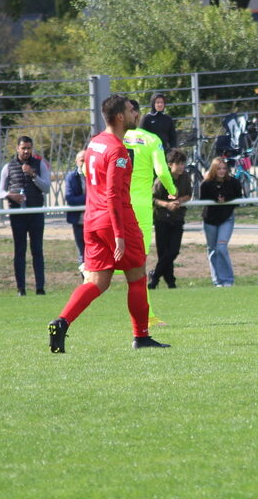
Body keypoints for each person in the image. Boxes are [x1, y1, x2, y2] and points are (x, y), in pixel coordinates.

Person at [48, 94, 170, 353]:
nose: (136, 114)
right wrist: (119, 234)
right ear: (120, 117)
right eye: (131, 111)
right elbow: (113, 194)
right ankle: (141, 337)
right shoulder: (118, 150)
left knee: (97, 281)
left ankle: (61, 322)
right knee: (137, 277)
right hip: (117, 220)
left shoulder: (95, 143)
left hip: (92, 220)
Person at [123, 99, 177, 263]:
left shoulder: (111, 137)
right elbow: (162, 172)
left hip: (116, 202)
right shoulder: (151, 139)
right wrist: (172, 190)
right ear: (138, 115)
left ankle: (91, 271)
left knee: (111, 258)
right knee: (139, 255)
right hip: (141, 203)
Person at [0, 136, 51, 296]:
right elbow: (0, 192)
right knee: (20, 250)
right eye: (23, 148)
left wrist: (33, 175)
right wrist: (10, 195)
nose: (26, 151)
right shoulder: (8, 167)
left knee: (37, 250)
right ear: (17, 148)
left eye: (29, 148)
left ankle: (40, 288)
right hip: (17, 214)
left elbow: (47, 188)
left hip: (35, 213)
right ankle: (21, 288)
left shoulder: (39, 164)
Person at [150, 149, 192, 289]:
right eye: (178, 164)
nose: (181, 167)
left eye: (183, 163)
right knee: (163, 253)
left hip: (178, 218)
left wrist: (179, 200)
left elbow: (188, 194)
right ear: (169, 164)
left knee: (173, 250)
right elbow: (152, 198)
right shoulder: (161, 179)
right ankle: (170, 282)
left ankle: (154, 276)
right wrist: (167, 205)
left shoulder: (185, 177)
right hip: (161, 219)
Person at [199, 157, 242, 287]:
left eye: (224, 168)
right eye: (219, 168)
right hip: (210, 220)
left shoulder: (233, 182)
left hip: (226, 218)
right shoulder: (206, 184)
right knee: (212, 249)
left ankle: (228, 280)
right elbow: (203, 198)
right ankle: (217, 281)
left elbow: (239, 198)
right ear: (213, 169)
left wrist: (226, 200)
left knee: (221, 247)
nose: (222, 171)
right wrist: (215, 199)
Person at [64, 150, 88, 276]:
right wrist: (90, 198)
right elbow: (70, 199)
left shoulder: (95, 175)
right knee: (82, 253)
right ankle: (85, 280)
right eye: (82, 160)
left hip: (94, 220)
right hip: (79, 221)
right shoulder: (71, 177)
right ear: (76, 161)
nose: (84, 163)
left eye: (86, 160)